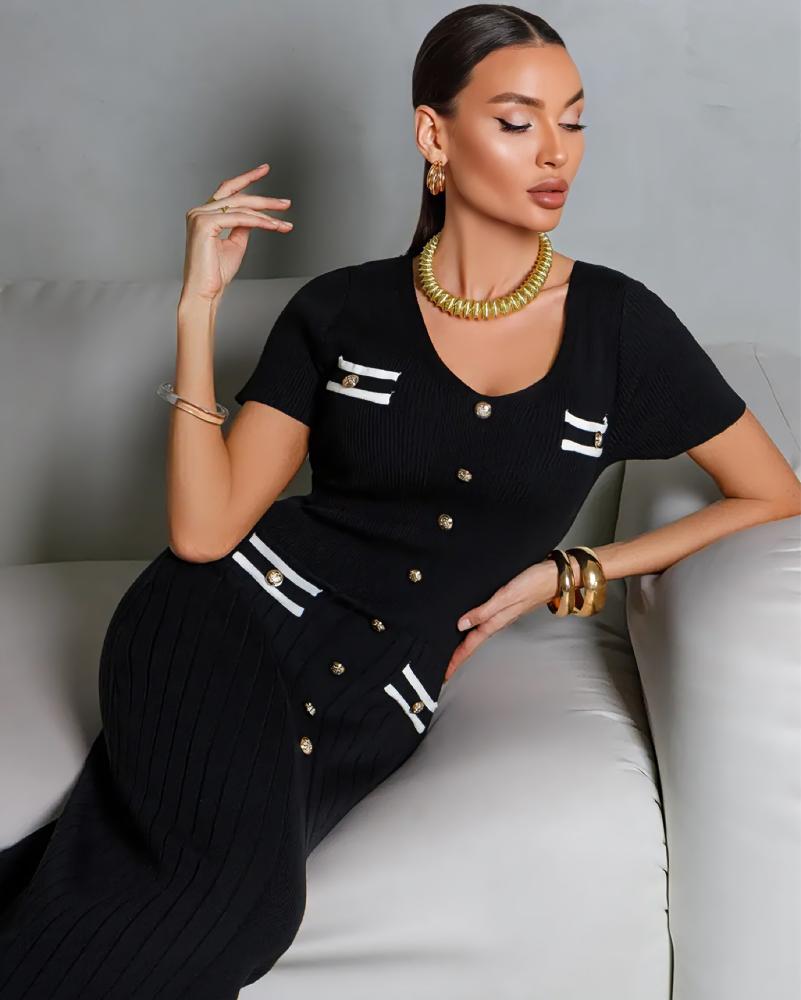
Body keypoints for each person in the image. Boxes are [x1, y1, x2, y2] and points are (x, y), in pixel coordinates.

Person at [1, 5, 798, 998]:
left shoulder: (619, 328)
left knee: (127, 882)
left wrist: (573, 569)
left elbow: (771, 494)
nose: (556, 152)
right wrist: (197, 307)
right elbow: (204, 533)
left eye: (574, 121)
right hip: (226, 621)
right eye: (517, 122)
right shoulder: (339, 310)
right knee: (244, 910)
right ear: (435, 136)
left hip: (378, 698)